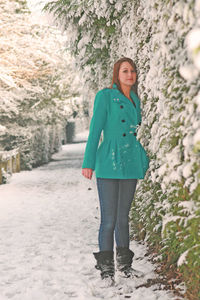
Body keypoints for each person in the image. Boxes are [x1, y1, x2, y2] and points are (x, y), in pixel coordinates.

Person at [81, 57, 149, 284]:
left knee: (123, 218)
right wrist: (88, 162)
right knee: (108, 219)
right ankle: (106, 271)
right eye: (125, 71)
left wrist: (142, 158)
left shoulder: (136, 100)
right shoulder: (105, 96)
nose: (130, 75)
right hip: (109, 160)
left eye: (132, 71)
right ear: (117, 75)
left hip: (130, 161)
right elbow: (95, 131)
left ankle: (125, 266)